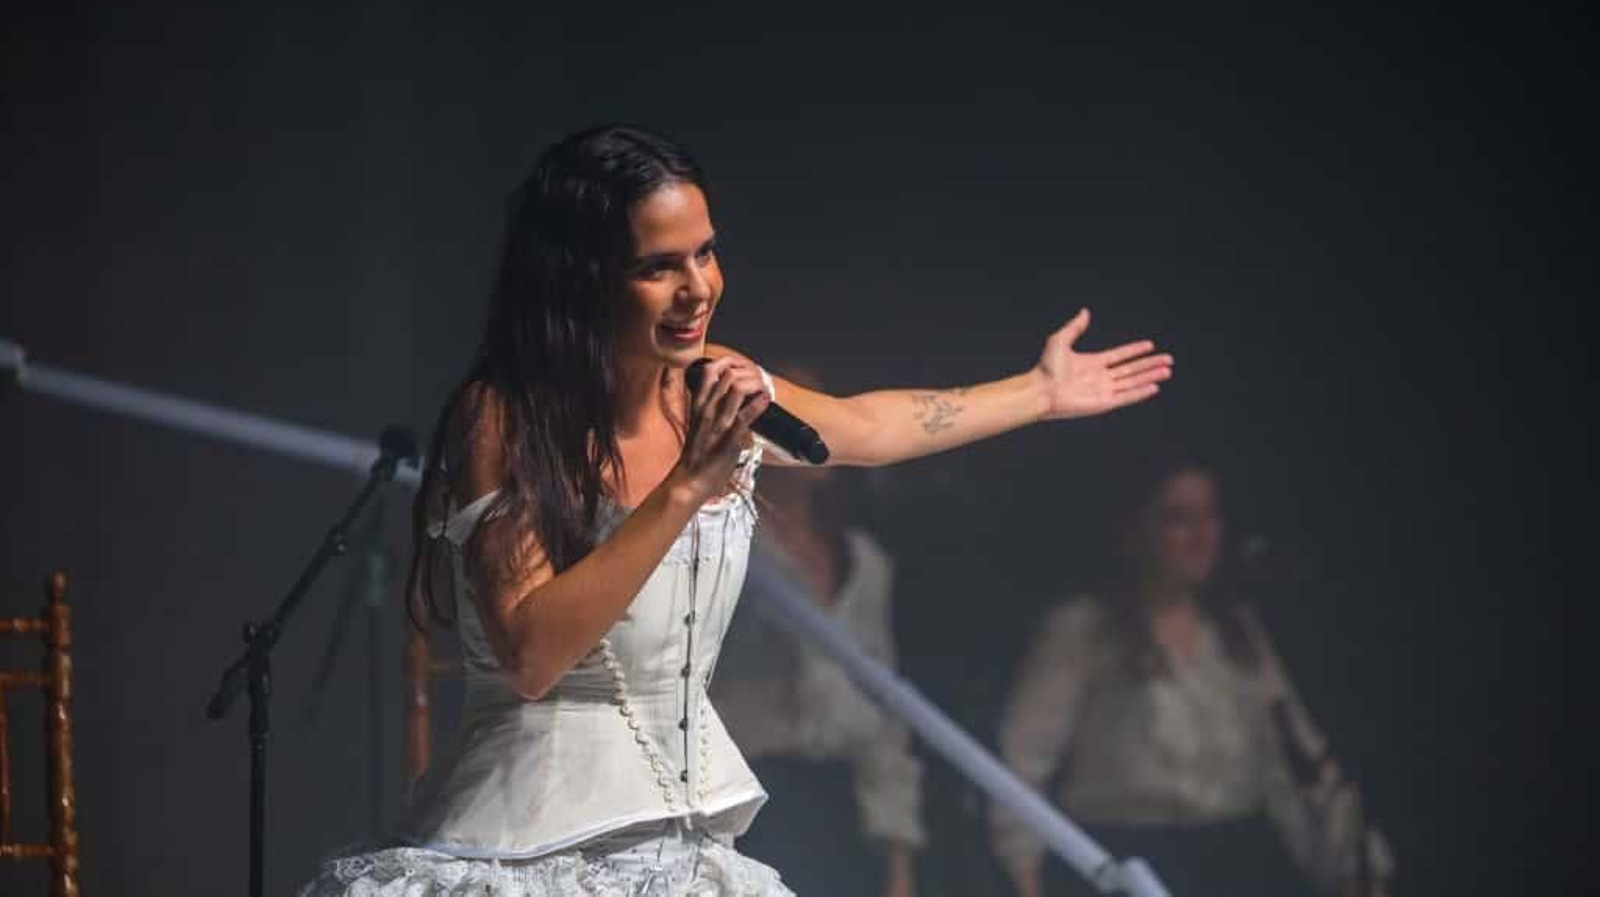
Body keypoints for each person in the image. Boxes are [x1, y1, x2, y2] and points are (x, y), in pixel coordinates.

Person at [298, 124, 1173, 895]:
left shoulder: (713, 385)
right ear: (582, 278)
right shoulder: (504, 415)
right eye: (658, 267)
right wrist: (686, 488)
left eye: (705, 254)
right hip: (519, 850)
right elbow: (531, 654)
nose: (697, 289)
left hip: (685, 845)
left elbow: (867, 425)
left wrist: (1039, 391)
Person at [989, 447, 1394, 897]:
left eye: (1210, 516)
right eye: (1179, 519)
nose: (1201, 536)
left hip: (1236, 856)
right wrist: (1027, 879)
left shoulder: (1237, 629)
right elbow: (1020, 764)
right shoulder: (1083, 628)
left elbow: (1298, 761)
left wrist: (1354, 870)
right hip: (1129, 857)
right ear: (1137, 529)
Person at [713, 365, 924, 897]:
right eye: (798, 415)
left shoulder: (864, 561)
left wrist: (897, 853)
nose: (820, 427)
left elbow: (883, 706)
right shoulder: (719, 542)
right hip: (744, 797)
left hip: (840, 798)